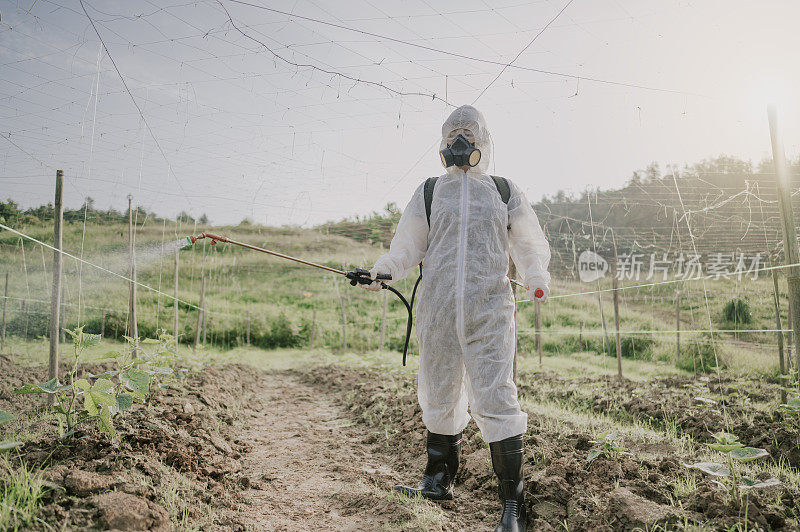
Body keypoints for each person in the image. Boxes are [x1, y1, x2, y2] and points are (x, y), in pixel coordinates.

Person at [362, 105, 550, 532]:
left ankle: (512, 504)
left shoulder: (503, 191)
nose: (459, 143)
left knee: (497, 395)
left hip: (490, 310)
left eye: (467, 134)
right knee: (438, 389)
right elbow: (406, 245)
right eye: (451, 136)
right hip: (439, 309)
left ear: (484, 141)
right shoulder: (430, 191)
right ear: (442, 144)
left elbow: (528, 241)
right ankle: (438, 478)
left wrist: (537, 274)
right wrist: (382, 272)